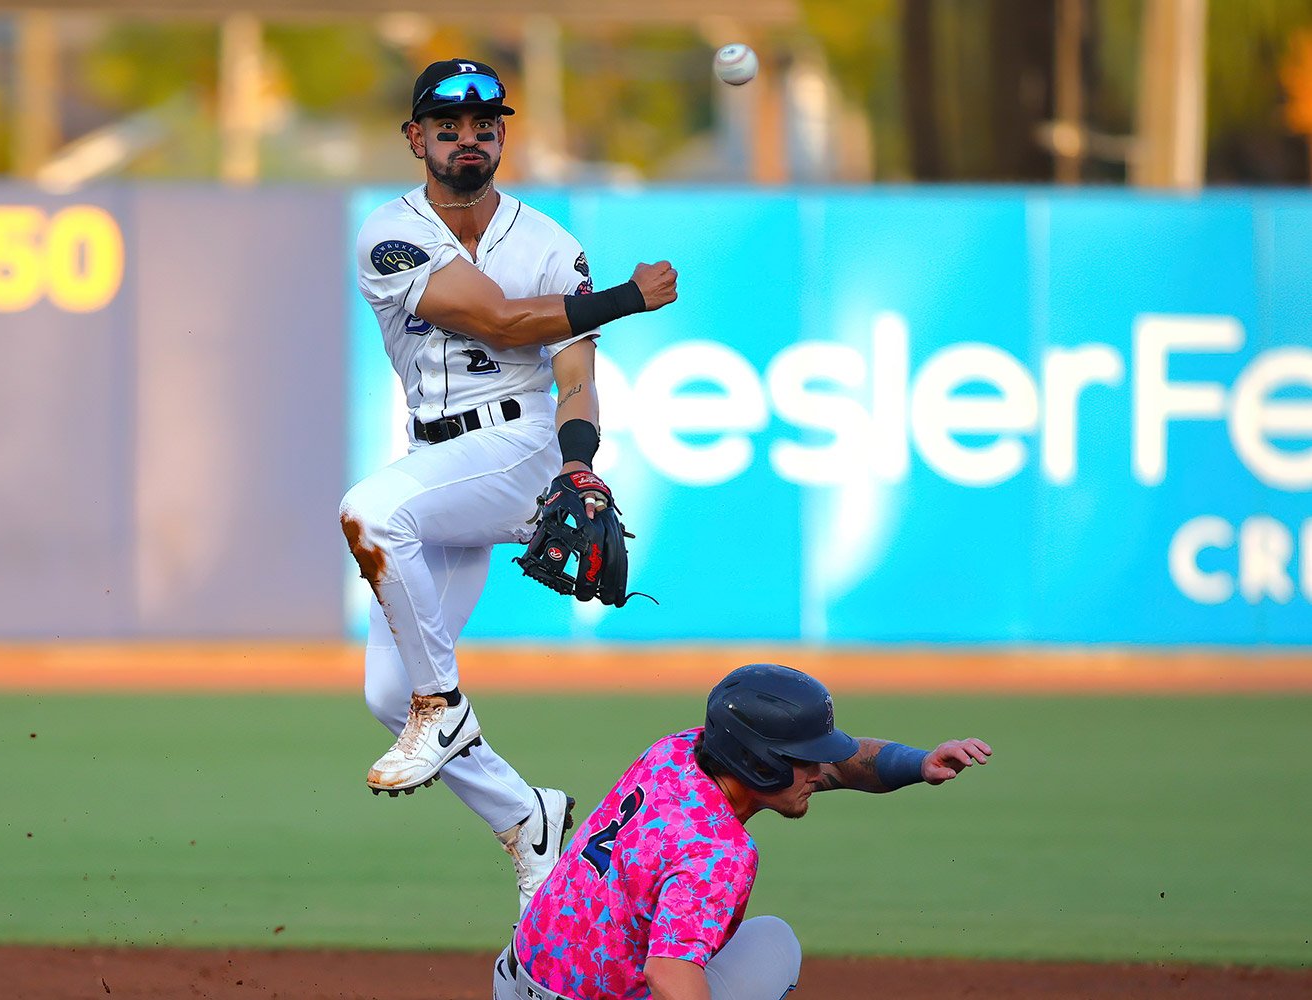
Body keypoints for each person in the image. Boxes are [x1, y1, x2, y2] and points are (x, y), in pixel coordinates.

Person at [339, 57, 678, 914]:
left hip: (520, 446)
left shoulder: (550, 244)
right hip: (444, 460)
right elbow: (493, 317)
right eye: (447, 126)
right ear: (416, 138)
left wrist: (577, 461)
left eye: (485, 125)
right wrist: (625, 299)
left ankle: (442, 705)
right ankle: (528, 816)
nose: (468, 139)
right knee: (389, 693)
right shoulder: (390, 232)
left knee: (371, 512)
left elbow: (574, 378)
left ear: (502, 137)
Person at [494, 663, 994, 1000]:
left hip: (517, 976)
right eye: (805, 759)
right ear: (758, 764)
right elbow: (668, 972)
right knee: (777, 942)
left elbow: (838, 767)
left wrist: (917, 763)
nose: (820, 771)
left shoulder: (674, 751)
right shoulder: (722, 852)